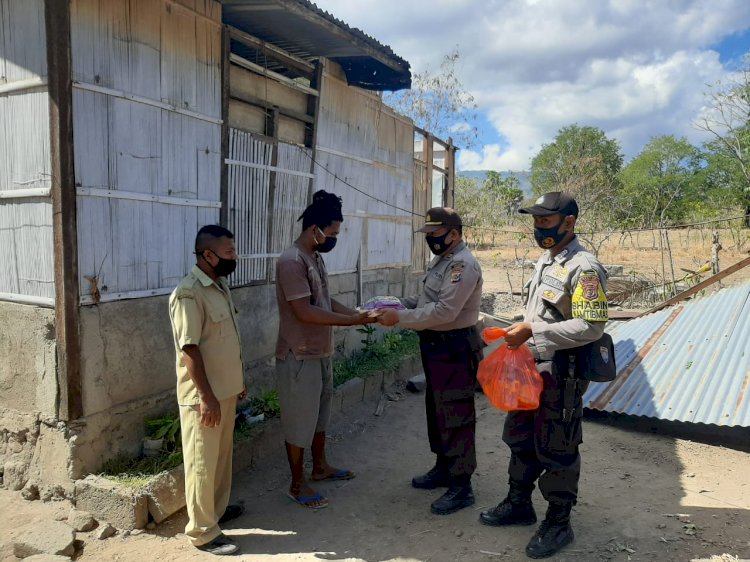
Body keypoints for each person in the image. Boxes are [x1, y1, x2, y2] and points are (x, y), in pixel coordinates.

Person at [479, 192, 609, 559]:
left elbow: (592, 325)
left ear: (569, 222)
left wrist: (532, 332)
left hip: (561, 373)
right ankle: (518, 503)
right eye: (535, 221)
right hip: (529, 368)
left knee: (557, 445)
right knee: (519, 435)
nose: (539, 228)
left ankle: (558, 522)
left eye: (546, 221)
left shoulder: (585, 268)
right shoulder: (547, 260)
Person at [378, 207, 483, 515]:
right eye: (429, 235)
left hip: (455, 346)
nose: (431, 240)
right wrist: (396, 303)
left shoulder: (463, 265)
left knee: (456, 413)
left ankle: (462, 485)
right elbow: (427, 302)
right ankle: (443, 467)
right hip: (436, 346)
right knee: (437, 410)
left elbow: (444, 312)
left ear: (454, 234)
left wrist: (399, 318)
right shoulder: (443, 260)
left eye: (435, 235)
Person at [275, 190, 375, 509]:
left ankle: (319, 468)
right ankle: (296, 483)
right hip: (299, 356)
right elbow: (305, 311)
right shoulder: (292, 262)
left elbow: (325, 301)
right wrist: (350, 322)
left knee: (319, 416)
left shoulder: (314, 257)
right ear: (314, 228)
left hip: (320, 352)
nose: (333, 240)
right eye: (331, 233)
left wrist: (358, 315)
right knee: (299, 421)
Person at [168, 225, 247, 556]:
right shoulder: (189, 293)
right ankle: (202, 531)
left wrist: (236, 385)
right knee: (202, 461)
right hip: (205, 397)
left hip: (225, 391)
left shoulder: (219, 285)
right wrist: (206, 396)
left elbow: (225, 342)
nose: (235, 257)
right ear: (208, 255)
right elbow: (190, 350)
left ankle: (215, 511)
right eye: (229, 253)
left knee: (220, 458)